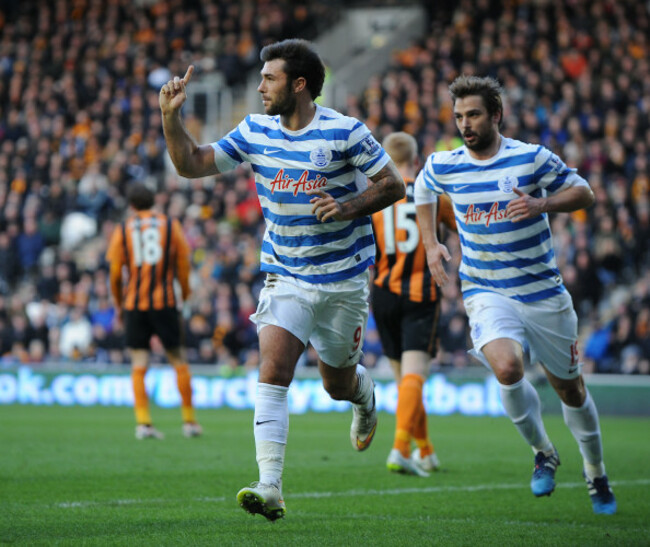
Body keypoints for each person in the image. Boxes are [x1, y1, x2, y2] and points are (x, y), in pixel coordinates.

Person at [159, 39, 405, 521]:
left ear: (299, 84)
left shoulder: (345, 132)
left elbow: (392, 184)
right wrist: (171, 117)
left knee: (335, 383)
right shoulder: (255, 131)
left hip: (343, 280)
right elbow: (190, 165)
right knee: (273, 370)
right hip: (286, 275)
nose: (260, 86)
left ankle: (362, 394)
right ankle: (269, 485)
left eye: (269, 78)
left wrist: (346, 206)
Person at [414, 75, 616, 515]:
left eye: (474, 115)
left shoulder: (530, 159)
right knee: (506, 368)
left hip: (543, 292)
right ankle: (543, 452)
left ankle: (595, 470)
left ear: (496, 115)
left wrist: (542, 204)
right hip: (486, 288)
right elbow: (423, 189)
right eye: (459, 116)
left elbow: (585, 191)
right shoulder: (445, 163)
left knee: (571, 389)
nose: (465, 124)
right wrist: (430, 243)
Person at [370, 132, 456, 477]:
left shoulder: (375, 196)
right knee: (414, 377)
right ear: (416, 158)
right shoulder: (431, 195)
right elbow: (463, 231)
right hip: (420, 291)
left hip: (383, 292)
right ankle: (401, 449)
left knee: (404, 382)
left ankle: (426, 450)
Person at [106, 182, 202, 440]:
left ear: (132, 206)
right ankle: (190, 421)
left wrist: (118, 303)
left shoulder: (123, 228)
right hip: (165, 303)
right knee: (179, 360)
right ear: (153, 202)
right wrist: (185, 293)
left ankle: (144, 424)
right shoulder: (170, 226)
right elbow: (183, 263)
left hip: (134, 304)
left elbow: (115, 274)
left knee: (139, 364)